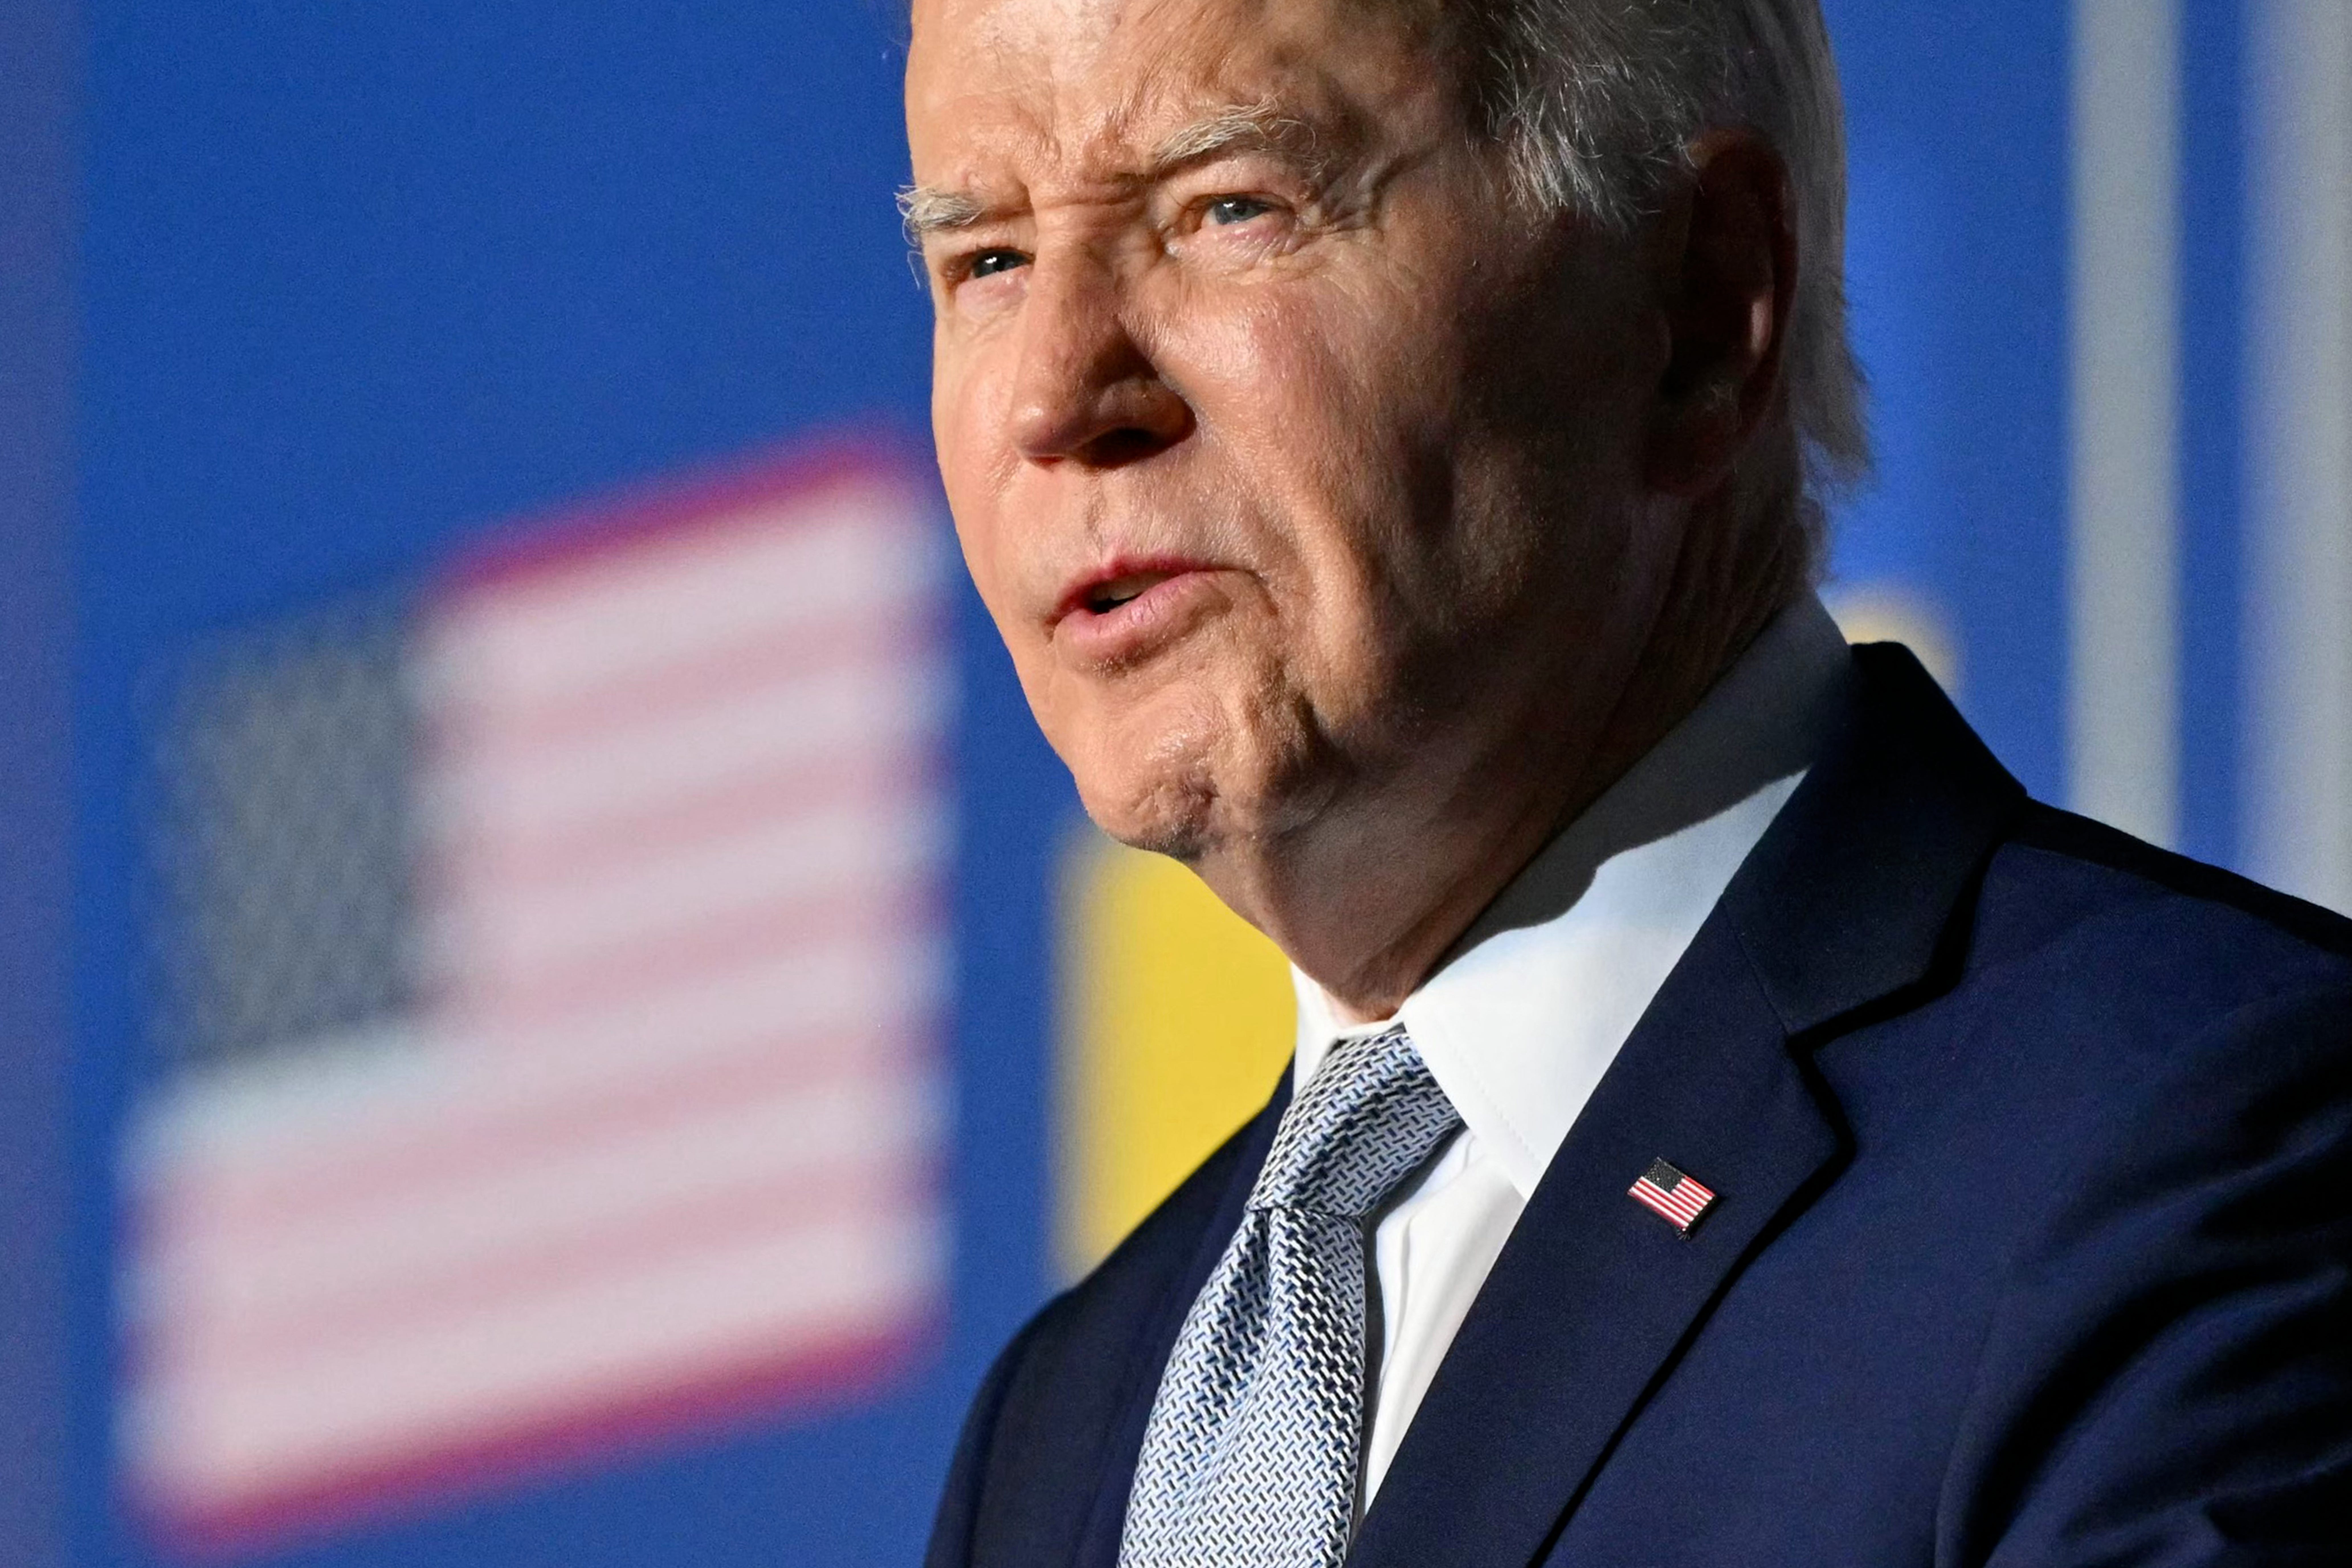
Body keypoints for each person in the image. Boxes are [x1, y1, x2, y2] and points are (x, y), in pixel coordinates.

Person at [901, 0, 2352, 1561]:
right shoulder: (1066, 1433)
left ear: (1697, 301)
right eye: (985, 259)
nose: (1056, 396)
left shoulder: (2204, 1149)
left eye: (1228, 208)